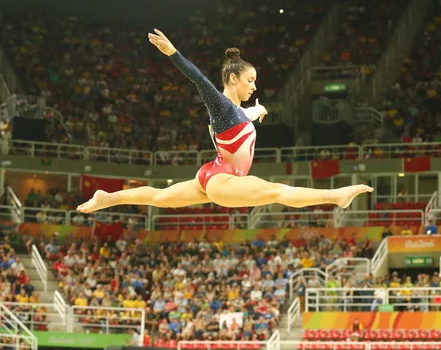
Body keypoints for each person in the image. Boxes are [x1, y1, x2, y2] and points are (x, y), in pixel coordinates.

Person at [78, 29, 372, 213]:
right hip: (223, 180)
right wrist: (174, 54)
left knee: (158, 197)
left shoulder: (237, 112)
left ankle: (108, 198)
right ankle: (336, 197)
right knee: (277, 191)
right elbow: (199, 80)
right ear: (233, 78)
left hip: (212, 174)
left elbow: (247, 115)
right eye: (250, 80)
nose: (254, 86)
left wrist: (259, 111)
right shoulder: (220, 105)